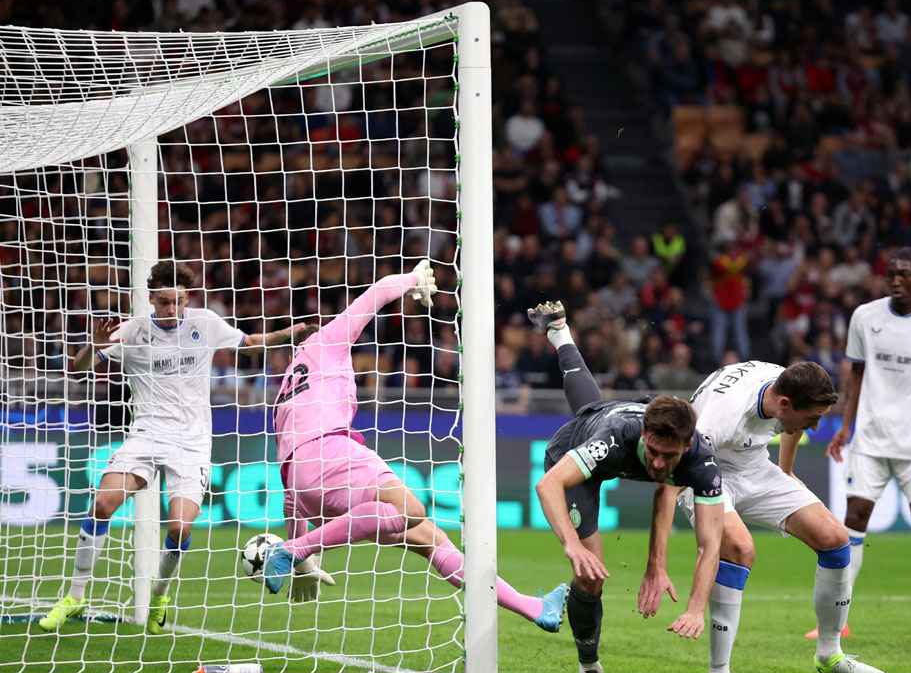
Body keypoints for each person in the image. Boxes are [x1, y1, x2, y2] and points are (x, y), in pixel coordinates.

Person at [260, 263, 567, 633]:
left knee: (433, 540)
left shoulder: (283, 398)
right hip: (330, 451)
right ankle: (294, 551)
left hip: (303, 484)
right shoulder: (327, 341)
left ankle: (535, 608)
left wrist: (301, 556)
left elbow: (291, 492)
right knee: (410, 508)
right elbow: (379, 291)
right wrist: (414, 279)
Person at [39, 260, 312, 634]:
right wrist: (95, 347)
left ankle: (160, 595)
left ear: (187, 299)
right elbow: (79, 366)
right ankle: (75, 595)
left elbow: (247, 345)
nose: (172, 310)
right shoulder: (131, 332)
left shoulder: (204, 323)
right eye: (165, 302)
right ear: (151, 298)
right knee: (102, 504)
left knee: (180, 528)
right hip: (147, 434)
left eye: (179, 302)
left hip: (192, 442)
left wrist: (291, 332)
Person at [646, 359, 888, 673]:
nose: (816, 427)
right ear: (785, 405)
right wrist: (657, 565)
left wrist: (786, 472)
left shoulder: (787, 385)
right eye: (812, 418)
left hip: (755, 466)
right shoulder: (721, 420)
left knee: (835, 538)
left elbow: (794, 425)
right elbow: (669, 488)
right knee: (741, 548)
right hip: (703, 473)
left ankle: (830, 656)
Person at [528, 300, 725, 673]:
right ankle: (589, 670)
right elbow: (548, 485)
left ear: (686, 446)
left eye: (668, 456)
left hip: (602, 413)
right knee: (589, 574)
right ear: (645, 434)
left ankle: (559, 332)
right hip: (579, 445)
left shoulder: (700, 461)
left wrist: (693, 606)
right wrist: (572, 546)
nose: (657, 463)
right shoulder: (617, 439)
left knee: (592, 404)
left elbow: (709, 543)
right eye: (652, 451)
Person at [825, 247, 911, 639]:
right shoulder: (865, 317)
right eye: (891, 274)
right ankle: (838, 619)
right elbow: (856, 373)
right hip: (870, 440)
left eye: (904, 274)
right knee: (853, 523)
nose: (896, 280)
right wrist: (845, 427)